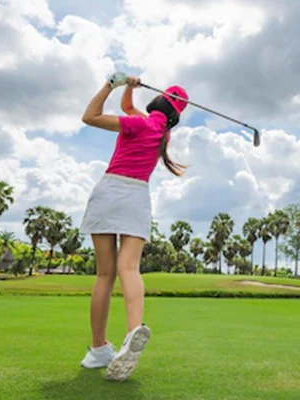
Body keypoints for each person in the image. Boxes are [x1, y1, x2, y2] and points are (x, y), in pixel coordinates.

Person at [77, 72, 188, 381]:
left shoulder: (138, 124)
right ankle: (132, 332)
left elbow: (90, 117)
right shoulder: (162, 134)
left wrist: (111, 84)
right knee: (129, 267)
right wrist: (130, 89)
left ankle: (98, 348)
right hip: (137, 196)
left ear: (160, 99)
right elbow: (128, 108)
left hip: (109, 191)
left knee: (105, 274)